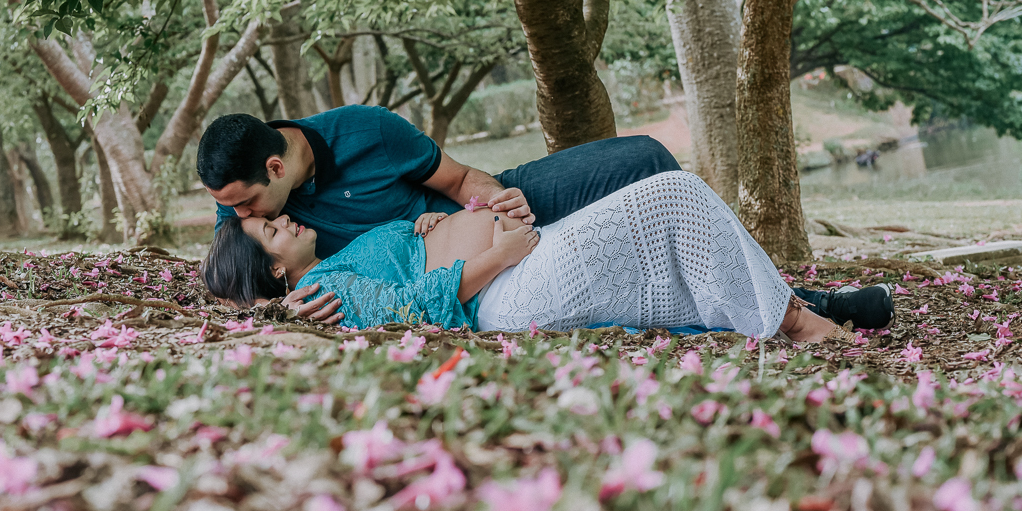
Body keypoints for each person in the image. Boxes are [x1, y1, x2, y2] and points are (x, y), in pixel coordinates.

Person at [195, 106, 894, 330]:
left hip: (493, 208)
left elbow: (462, 177)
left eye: (244, 201)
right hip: (480, 272)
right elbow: (260, 272)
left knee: (648, 157)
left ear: (276, 169)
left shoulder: (366, 131)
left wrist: (497, 203)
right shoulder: (287, 232)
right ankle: (805, 306)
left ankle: (779, 293)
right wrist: (278, 309)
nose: (238, 212)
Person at [203, 170, 859, 344]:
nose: (283, 220)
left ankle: (788, 307)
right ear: (277, 272)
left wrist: (438, 221)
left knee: (669, 214)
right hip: (507, 290)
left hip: (515, 266)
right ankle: (796, 319)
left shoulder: (341, 261)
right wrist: (504, 247)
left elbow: (411, 258)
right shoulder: (324, 290)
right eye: (271, 234)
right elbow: (416, 306)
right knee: (673, 193)